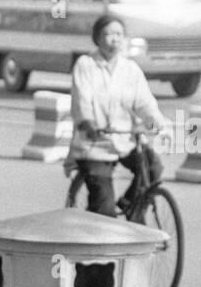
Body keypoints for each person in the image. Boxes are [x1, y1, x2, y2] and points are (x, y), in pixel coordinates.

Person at [67, 14, 168, 217]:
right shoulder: (85, 65)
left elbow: (144, 102)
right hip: (94, 145)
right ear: (97, 37)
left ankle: (133, 210)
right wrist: (89, 124)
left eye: (119, 34)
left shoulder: (130, 69)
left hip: (125, 140)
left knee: (152, 167)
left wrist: (155, 120)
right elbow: (82, 101)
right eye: (109, 34)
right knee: (104, 209)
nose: (115, 39)